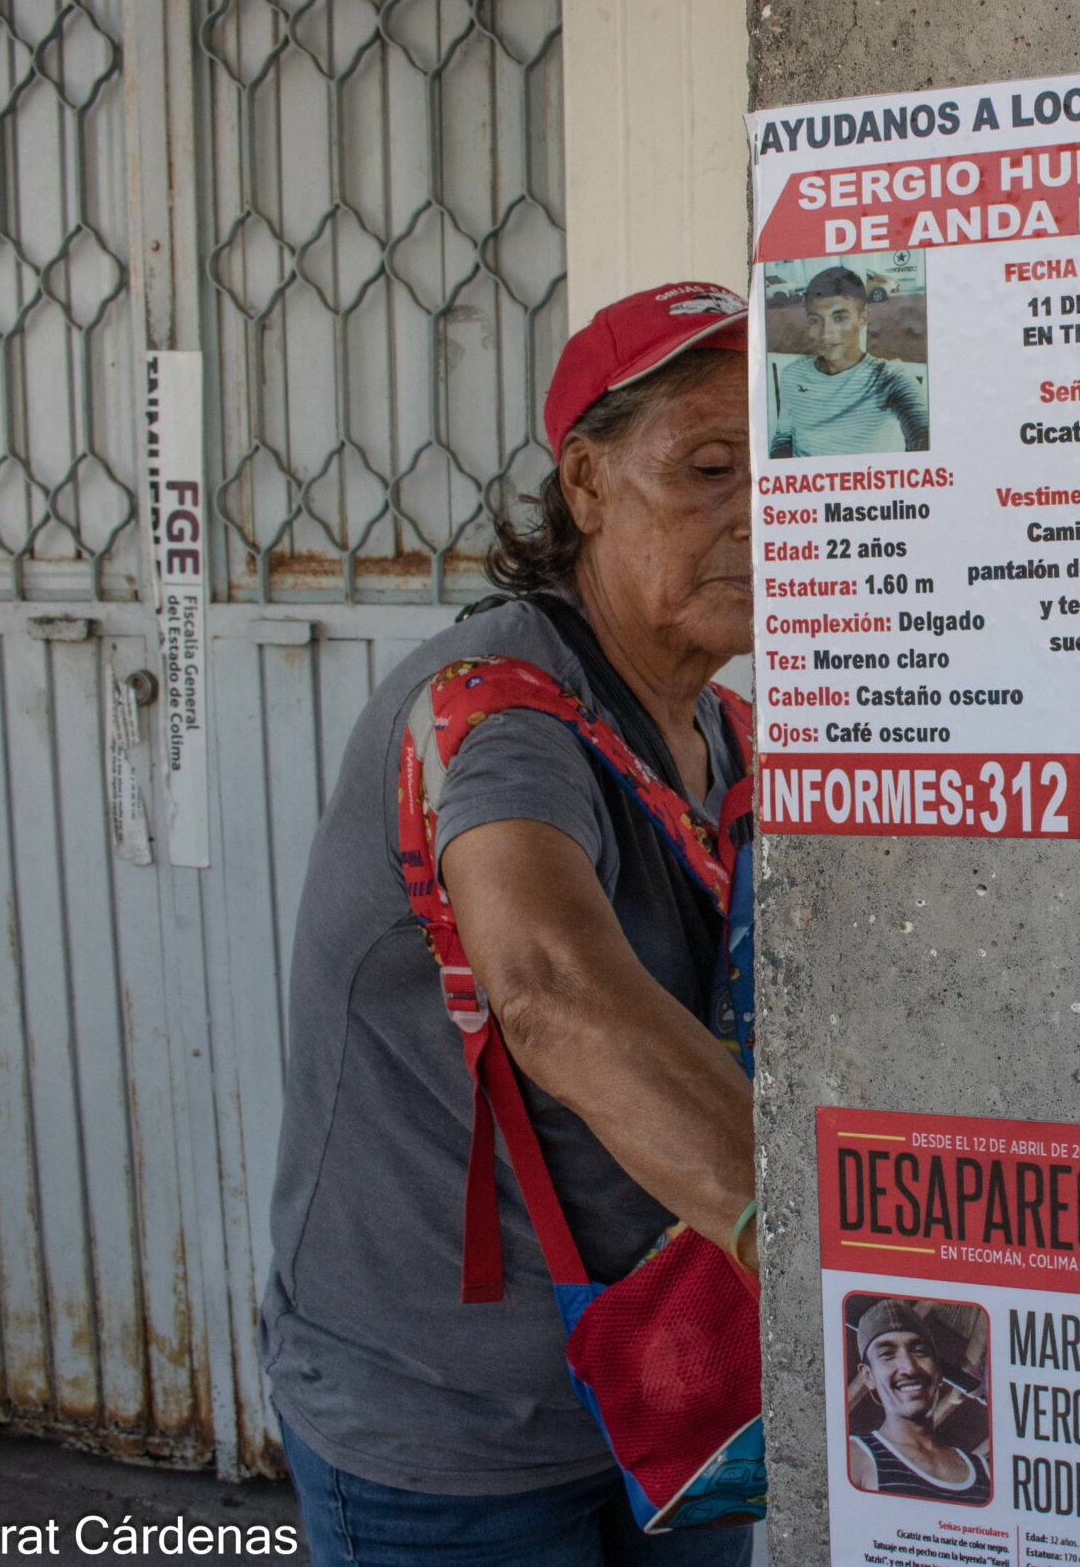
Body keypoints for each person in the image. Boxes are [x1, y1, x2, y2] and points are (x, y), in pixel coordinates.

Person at [260, 281, 762, 1565]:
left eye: (785, 464)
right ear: (587, 487)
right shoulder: (494, 712)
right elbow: (549, 989)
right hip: (451, 1431)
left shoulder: (725, 731)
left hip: (683, 1397)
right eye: (708, 466)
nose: (762, 512)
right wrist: (833, 1258)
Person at [768, 264, 930, 457]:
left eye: (840, 318)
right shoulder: (793, 375)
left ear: (862, 319)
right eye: (815, 320)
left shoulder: (890, 378)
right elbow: (783, 437)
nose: (826, 333)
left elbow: (923, 436)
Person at [845, 1301, 991, 1506]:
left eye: (920, 1352)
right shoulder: (854, 1456)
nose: (909, 1368)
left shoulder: (983, 1471)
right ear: (868, 1376)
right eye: (887, 1354)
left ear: (938, 1371)